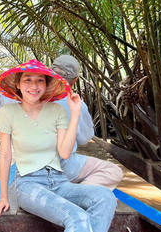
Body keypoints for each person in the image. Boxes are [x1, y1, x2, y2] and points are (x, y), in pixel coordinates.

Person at [0, 59, 116, 232]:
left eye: (40, 80)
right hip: (29, 185)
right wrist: (3, 196)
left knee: (106, 198)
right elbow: (5, 157)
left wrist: (75, 114)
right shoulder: (8, 114)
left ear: (47, 85)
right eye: (27, 80)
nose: (34, 85)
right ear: (18, 85)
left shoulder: (57, 111)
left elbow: (65, 152)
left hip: (58, 181)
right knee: (78, 217)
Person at [51, 55, 123, 190]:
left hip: (35, 168)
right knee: (113, 171)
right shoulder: (77, 104)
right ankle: (82, 191)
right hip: (66, 168)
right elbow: (84, 139)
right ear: (74, 81)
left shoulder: (31, 98)